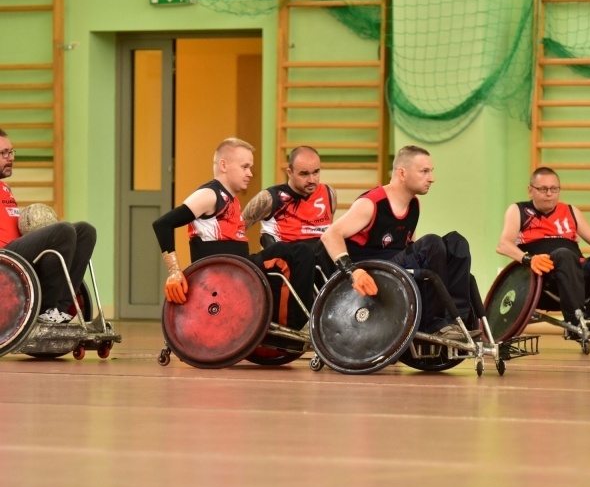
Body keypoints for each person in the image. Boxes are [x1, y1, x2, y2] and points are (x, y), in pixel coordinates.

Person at [151, 137, 315, 330]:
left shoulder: (232, 199)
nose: (250, 173)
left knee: (304, 251)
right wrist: (175, 272)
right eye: (245, 167)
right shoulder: (209, 194)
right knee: (282, 252)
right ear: (224, 165)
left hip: (240, 269)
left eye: (250, 168)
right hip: (222, 273)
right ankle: (290, 325)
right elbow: (162, 224)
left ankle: (299, 320)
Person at [320, 145, 478, 341]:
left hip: (396, 267)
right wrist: (353, 271)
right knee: (432, 243)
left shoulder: (414, 205)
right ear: (402, 173)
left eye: (431, 171)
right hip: (372, 270)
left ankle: (457, 322)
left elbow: (409, 247)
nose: (431, 178)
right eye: (424, 171)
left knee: (456, 242)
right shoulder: (372, 203)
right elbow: (330, 234)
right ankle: (433, 324)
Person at [496, 166, 590, 331]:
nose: (549, 193)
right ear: (530, 190)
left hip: (578, 272)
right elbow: (503, 245)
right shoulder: (518, 210)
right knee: (564, 254)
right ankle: (576, 320)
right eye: (543, 189)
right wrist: (529, 259)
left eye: (554, 188)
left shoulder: (570, 211)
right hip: (547, 275)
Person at [0, 127, 97, 323]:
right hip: (5, 260)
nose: (10, 157)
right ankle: (45, 310)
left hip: (20, 255)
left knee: (85, 231)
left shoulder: (4, 188)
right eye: (3, 153)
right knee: (63, 231)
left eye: (11, 151)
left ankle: (60, 311)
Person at [242, 145, 336, 278]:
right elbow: (237, 230)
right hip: (290, 261)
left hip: (321, 260)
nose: (312, 180)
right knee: (306, 251)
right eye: (304, 174)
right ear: (289, 172)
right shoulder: (269, 198)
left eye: (316, 172)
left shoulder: (329, 193)